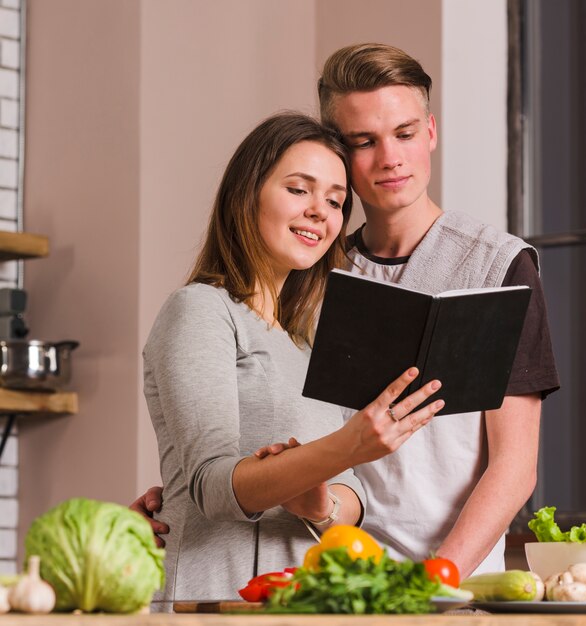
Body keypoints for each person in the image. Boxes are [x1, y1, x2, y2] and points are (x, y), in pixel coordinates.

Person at [133, 43, 560, 579]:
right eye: (364, 142)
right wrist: (176, 495)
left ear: (430, 131)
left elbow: (514, 469)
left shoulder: (499, 265)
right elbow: (237, 435)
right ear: (342, 154)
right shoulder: (311, 276)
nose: (390, 158)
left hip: (445, 585)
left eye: (404, 133)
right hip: (327, 578)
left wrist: (432, 585)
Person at [142, 111, 445, 609]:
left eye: (335, 201)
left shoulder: (309, 342)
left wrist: (320, 503)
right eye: (299, 190)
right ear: (248, 192)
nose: (320, 213)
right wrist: (349, 445)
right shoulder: (200, 309)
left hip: (300, 607)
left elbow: (352, 499)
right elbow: (212, 488)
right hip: (210, 605)